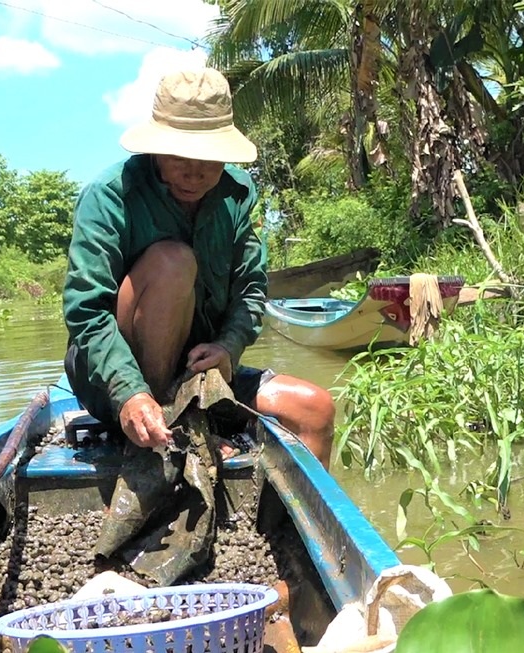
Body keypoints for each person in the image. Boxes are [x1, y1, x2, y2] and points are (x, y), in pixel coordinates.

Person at [62, 68, 335, 468]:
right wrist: (129, 392)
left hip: (199, 376)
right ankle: (166, 418)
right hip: (113, 379)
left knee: (316, 409)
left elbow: (250, 291)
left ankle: (289, 525)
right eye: (179, 157)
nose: (195, 172)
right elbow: (86, 311)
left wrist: (227, 347)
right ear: (154, 148)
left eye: (208, 158)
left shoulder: (237, 194)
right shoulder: (109, 196)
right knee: (173, 262)